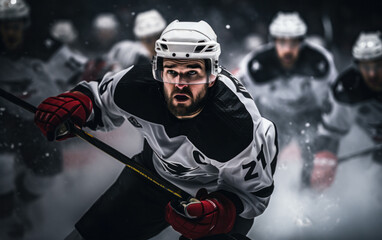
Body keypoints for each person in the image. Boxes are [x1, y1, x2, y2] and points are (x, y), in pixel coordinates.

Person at [34, 20, 279, 240]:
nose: (180, 85)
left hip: (213, 196)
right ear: (157, 71)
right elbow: (100, 101)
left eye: (192, 73)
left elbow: (254, 195)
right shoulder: (136, 85)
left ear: (212, 76)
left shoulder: (237, 126)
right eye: (171, 72)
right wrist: (78, 105)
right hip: (153, 178)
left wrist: (221, 211)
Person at [236, 12, 337, 188]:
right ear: (273, 42)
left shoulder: (318, 62)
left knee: (312, 157)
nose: (288, 50)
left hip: (309, 114)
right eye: (282, 43)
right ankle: (260, 194)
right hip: (274, 116)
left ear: (303, 43)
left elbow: (332, 103)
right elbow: (237, 99)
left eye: (294, 43)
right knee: (263, 158)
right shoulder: (256, 65)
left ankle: (308, 194)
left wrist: (327, 141)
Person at [0, 0, 63, 238]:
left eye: (14, 25)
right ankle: (5, 217)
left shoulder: (47, 47)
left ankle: (21, 204)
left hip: (39, 117)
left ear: (25, 24)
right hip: (4, 116)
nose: (10, 32)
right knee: (2, 162)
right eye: (4, 26)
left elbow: (82, 71)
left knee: (47, 170)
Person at [309, 32, 382, 190]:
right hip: (377, 149)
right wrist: (324, 160)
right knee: (374, 184)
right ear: (357, 66)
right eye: (366, 67)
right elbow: (330, 132)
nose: (372, 74)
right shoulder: (348, 89)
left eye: (378, 66)